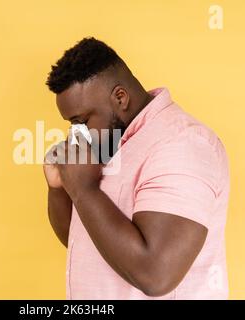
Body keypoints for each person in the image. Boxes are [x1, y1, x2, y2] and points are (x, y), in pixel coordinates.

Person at [43, 37, 230, 299]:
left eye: (82, 120)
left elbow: (155, 275)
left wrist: (84, 189)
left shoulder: (183, 145)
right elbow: (84, 243)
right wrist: (60, 188)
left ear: (120, 98)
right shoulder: (110, 142)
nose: (77, 133)